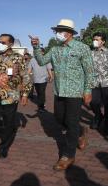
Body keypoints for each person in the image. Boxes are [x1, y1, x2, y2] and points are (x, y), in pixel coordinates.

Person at [30, 19, 96, 171]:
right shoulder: (55, 49)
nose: (58, 34)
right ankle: (81, 131)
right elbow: (41, 61)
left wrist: (87, 90)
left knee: (71, 123)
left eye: (60, 31)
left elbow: (89, 71)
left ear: (70, 33)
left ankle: (68, 155)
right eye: (57, 31)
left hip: (75, 92)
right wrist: (36, 47)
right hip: (59, 91)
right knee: (59, 118)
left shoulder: (82, 48)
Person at [28, 48, 53, 113]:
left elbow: (49, 69)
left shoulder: (45, 59)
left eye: (39, 52)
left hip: (44, 79)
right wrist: (26, 76)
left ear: (43, 52)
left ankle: (41, 107)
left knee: (41, 92)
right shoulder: (32, 60)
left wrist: (51, 76)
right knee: (39, 92)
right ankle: (42, 102)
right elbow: (29, 70)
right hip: (35, 79)